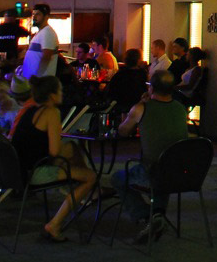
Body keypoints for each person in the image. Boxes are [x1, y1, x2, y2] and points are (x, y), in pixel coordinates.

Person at [11, 75, 98, 242]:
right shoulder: (51, 113)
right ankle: (55, 224)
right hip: (34, 173)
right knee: (90, 177)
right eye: (60, 90)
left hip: (18, 169)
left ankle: (78, 186)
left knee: (71, 148)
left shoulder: (30, 111)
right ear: (52, 95)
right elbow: (54, 151)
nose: (62, 93)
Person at [115, 70, 189, 242]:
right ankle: (158, 214)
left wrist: (140, 103)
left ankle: (146, 216)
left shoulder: (142, 108)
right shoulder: (180, 109)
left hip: (154, 173)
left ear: (151, 88)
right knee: (164, 167)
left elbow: (123, 131)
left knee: (118, 178)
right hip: (182, 173)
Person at [20, 4, 59, 79]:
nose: (34, 17)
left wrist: (38, 77)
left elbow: (46, 57)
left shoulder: (47, 33)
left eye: (38, 14)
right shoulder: (40, 33)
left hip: (41, 81)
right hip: (33, 80)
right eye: (33, 14)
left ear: (46, 17)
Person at [107, 49, 148, 114]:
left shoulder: (120, 74)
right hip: (137, 107)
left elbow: (111, 91)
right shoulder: (142, 74)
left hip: (120, 105)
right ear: (138, 60)